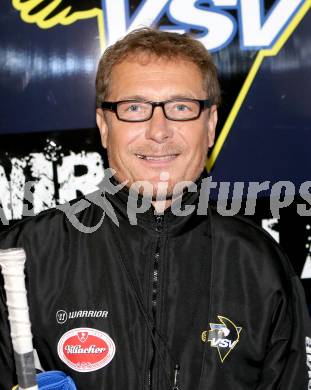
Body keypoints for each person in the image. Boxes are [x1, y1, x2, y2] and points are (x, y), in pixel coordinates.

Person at [0, 28, 311, 390]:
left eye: (181, 107)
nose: (158, 130)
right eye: (134, 108)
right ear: (104, 126)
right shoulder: (26, 257)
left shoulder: (259, 263)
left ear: (209, 126)